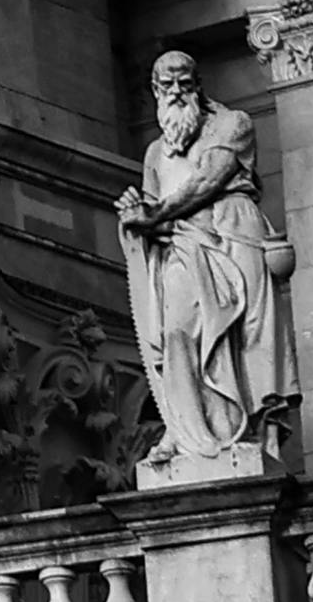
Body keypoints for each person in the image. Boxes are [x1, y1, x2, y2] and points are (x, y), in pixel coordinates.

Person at [117, 44, 291, 465]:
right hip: (181, 246)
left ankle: (247, 432)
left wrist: (154, 211)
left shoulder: (232, 124)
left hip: (232, 234)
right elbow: (152, 212)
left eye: (183, 83)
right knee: (177, 331)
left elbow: (210, 178)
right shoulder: (156, 153)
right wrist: (133, 215)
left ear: (198, 86)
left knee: (245, 338)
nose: (175, 92)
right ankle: (187, 432)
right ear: (155, 91)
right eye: (165, 85)